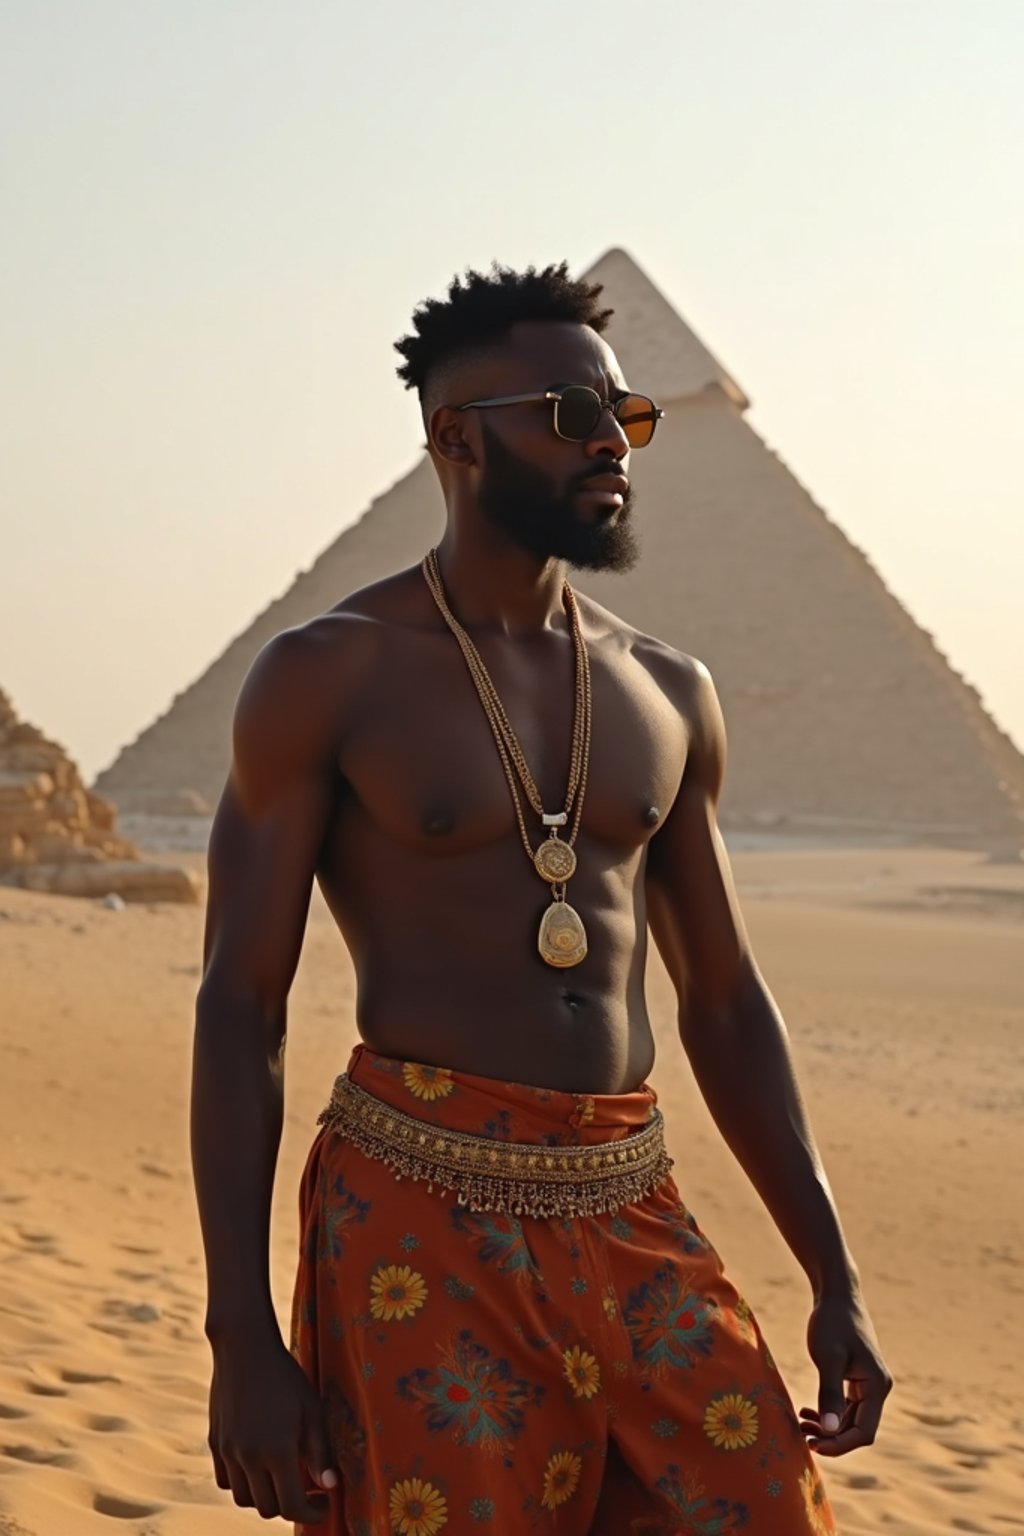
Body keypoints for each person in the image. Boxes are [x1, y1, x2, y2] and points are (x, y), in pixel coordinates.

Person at [191, 261, 891, 1534]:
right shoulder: (327, 676)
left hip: (631, 1200)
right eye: (572, 415)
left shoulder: (667, 690)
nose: (613, 445)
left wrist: (833, 1274)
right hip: (416, 1209)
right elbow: (240, 1008)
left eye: (628, 420)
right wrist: (238, 1333)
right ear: (457, 436)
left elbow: (725, 999)